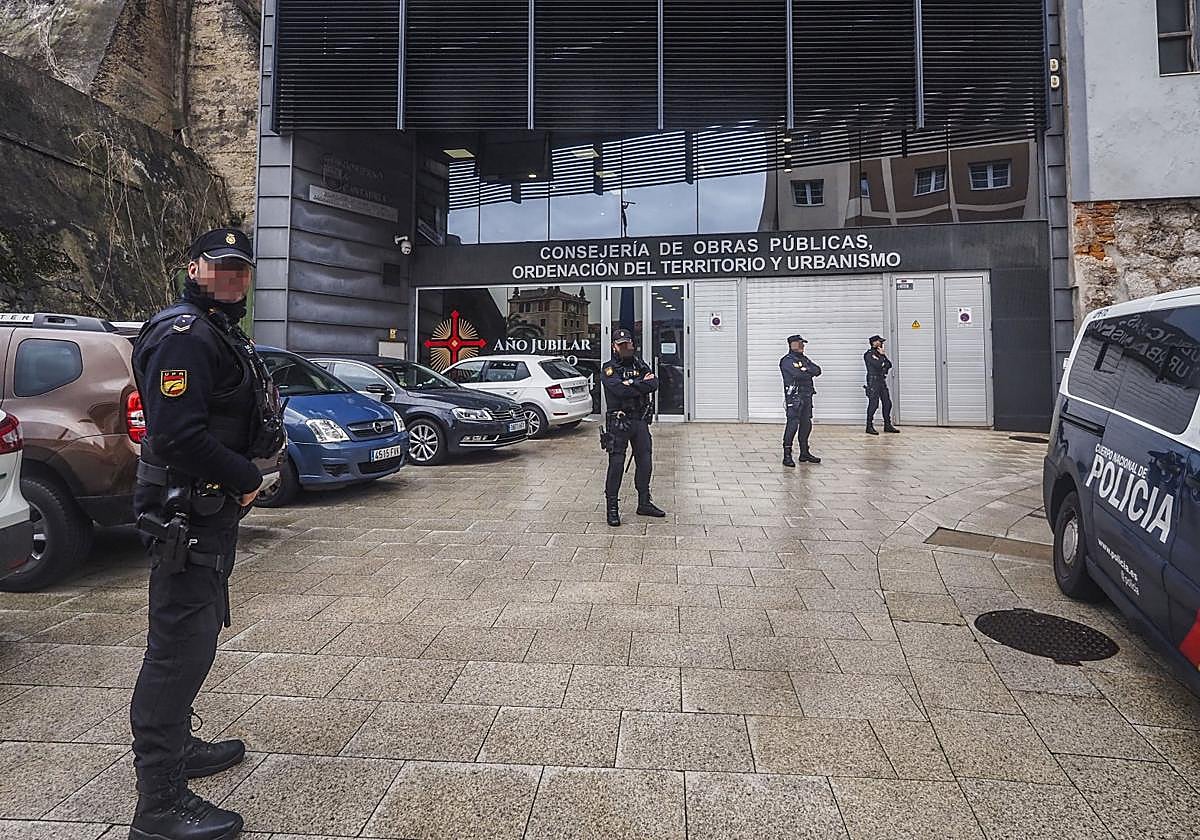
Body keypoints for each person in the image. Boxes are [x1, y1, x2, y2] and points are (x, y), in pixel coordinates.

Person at [128, 228, 285, 840]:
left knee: (195, 636)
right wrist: (246, 478)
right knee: (176, 650)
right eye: (221, 267)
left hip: (202, 509)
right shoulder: (183, 336)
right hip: (183, 511)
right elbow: (175, 436)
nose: (234, 278)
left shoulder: (217, 330)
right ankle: (159, 802)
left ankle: (179, 747)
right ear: (194, 268)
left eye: (242, 268)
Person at [601, 328, 666, 526]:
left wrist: (631, 383)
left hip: (639, 421)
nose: (625, 348)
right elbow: (619, 390)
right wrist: (639, 384)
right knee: (617, 466)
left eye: (627, 344)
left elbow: (654, 383)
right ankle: (612, 508)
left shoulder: (640, 363)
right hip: (619, 422)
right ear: (614, 347)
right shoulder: (608, 368)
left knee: (645, 462)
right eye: (621, 345)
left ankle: (644, 503)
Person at [780, 334, 822, 467]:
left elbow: (818, 370)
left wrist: (806, 370)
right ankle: (787, 455)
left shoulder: (804, 359)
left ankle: (804, 453)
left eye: (803, 343)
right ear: (792, 344)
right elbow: (797, 374)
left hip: (806, 395)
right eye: (800, 343)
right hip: (794, 397)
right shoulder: (787, 360)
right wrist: (806, 372)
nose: (802, 346)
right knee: (792, 424)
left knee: (806, 424)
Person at [864, 334, 900, 435]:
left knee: (887, 403)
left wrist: (883, 356)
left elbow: (889, 364)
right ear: (874, 343)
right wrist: (882, 362)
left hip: (881, 381)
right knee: (873, 404)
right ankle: (869, 426)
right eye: (880, 342)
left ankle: (887, 425)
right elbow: (878, 365)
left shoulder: (880, 354)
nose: (881, 343)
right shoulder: (869, 354)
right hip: (873, 382)